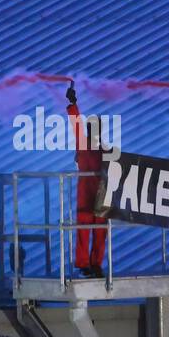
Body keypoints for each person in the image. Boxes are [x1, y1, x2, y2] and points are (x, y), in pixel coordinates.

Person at [66, 82, 106, 278]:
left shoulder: (106, 150)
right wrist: (73, 103)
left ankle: (95, 264)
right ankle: (85, 263)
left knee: (99, 231)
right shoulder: (83, 145)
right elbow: (76, 123)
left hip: (100, 198)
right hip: (87, 197)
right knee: (84, 230)